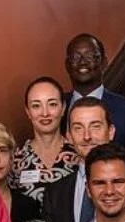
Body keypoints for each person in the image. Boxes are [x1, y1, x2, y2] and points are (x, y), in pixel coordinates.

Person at [42, 97, 125, 222]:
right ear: (69, 136)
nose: (87, 136)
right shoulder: (55, 192)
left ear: (111, 132)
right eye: (78, 128)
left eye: (95, 126)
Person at [62, 33, 125, 151]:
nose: (83, 62)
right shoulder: (55, 108)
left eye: (90, 56)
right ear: (67, 65)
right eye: (76, 57)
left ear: (104, 62)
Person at [11, 76, 81, 204]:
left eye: (52, 104)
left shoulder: (79, 155)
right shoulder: (16, 162)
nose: (45, 113)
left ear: (63, 108)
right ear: (28, 111)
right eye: (36, 106)